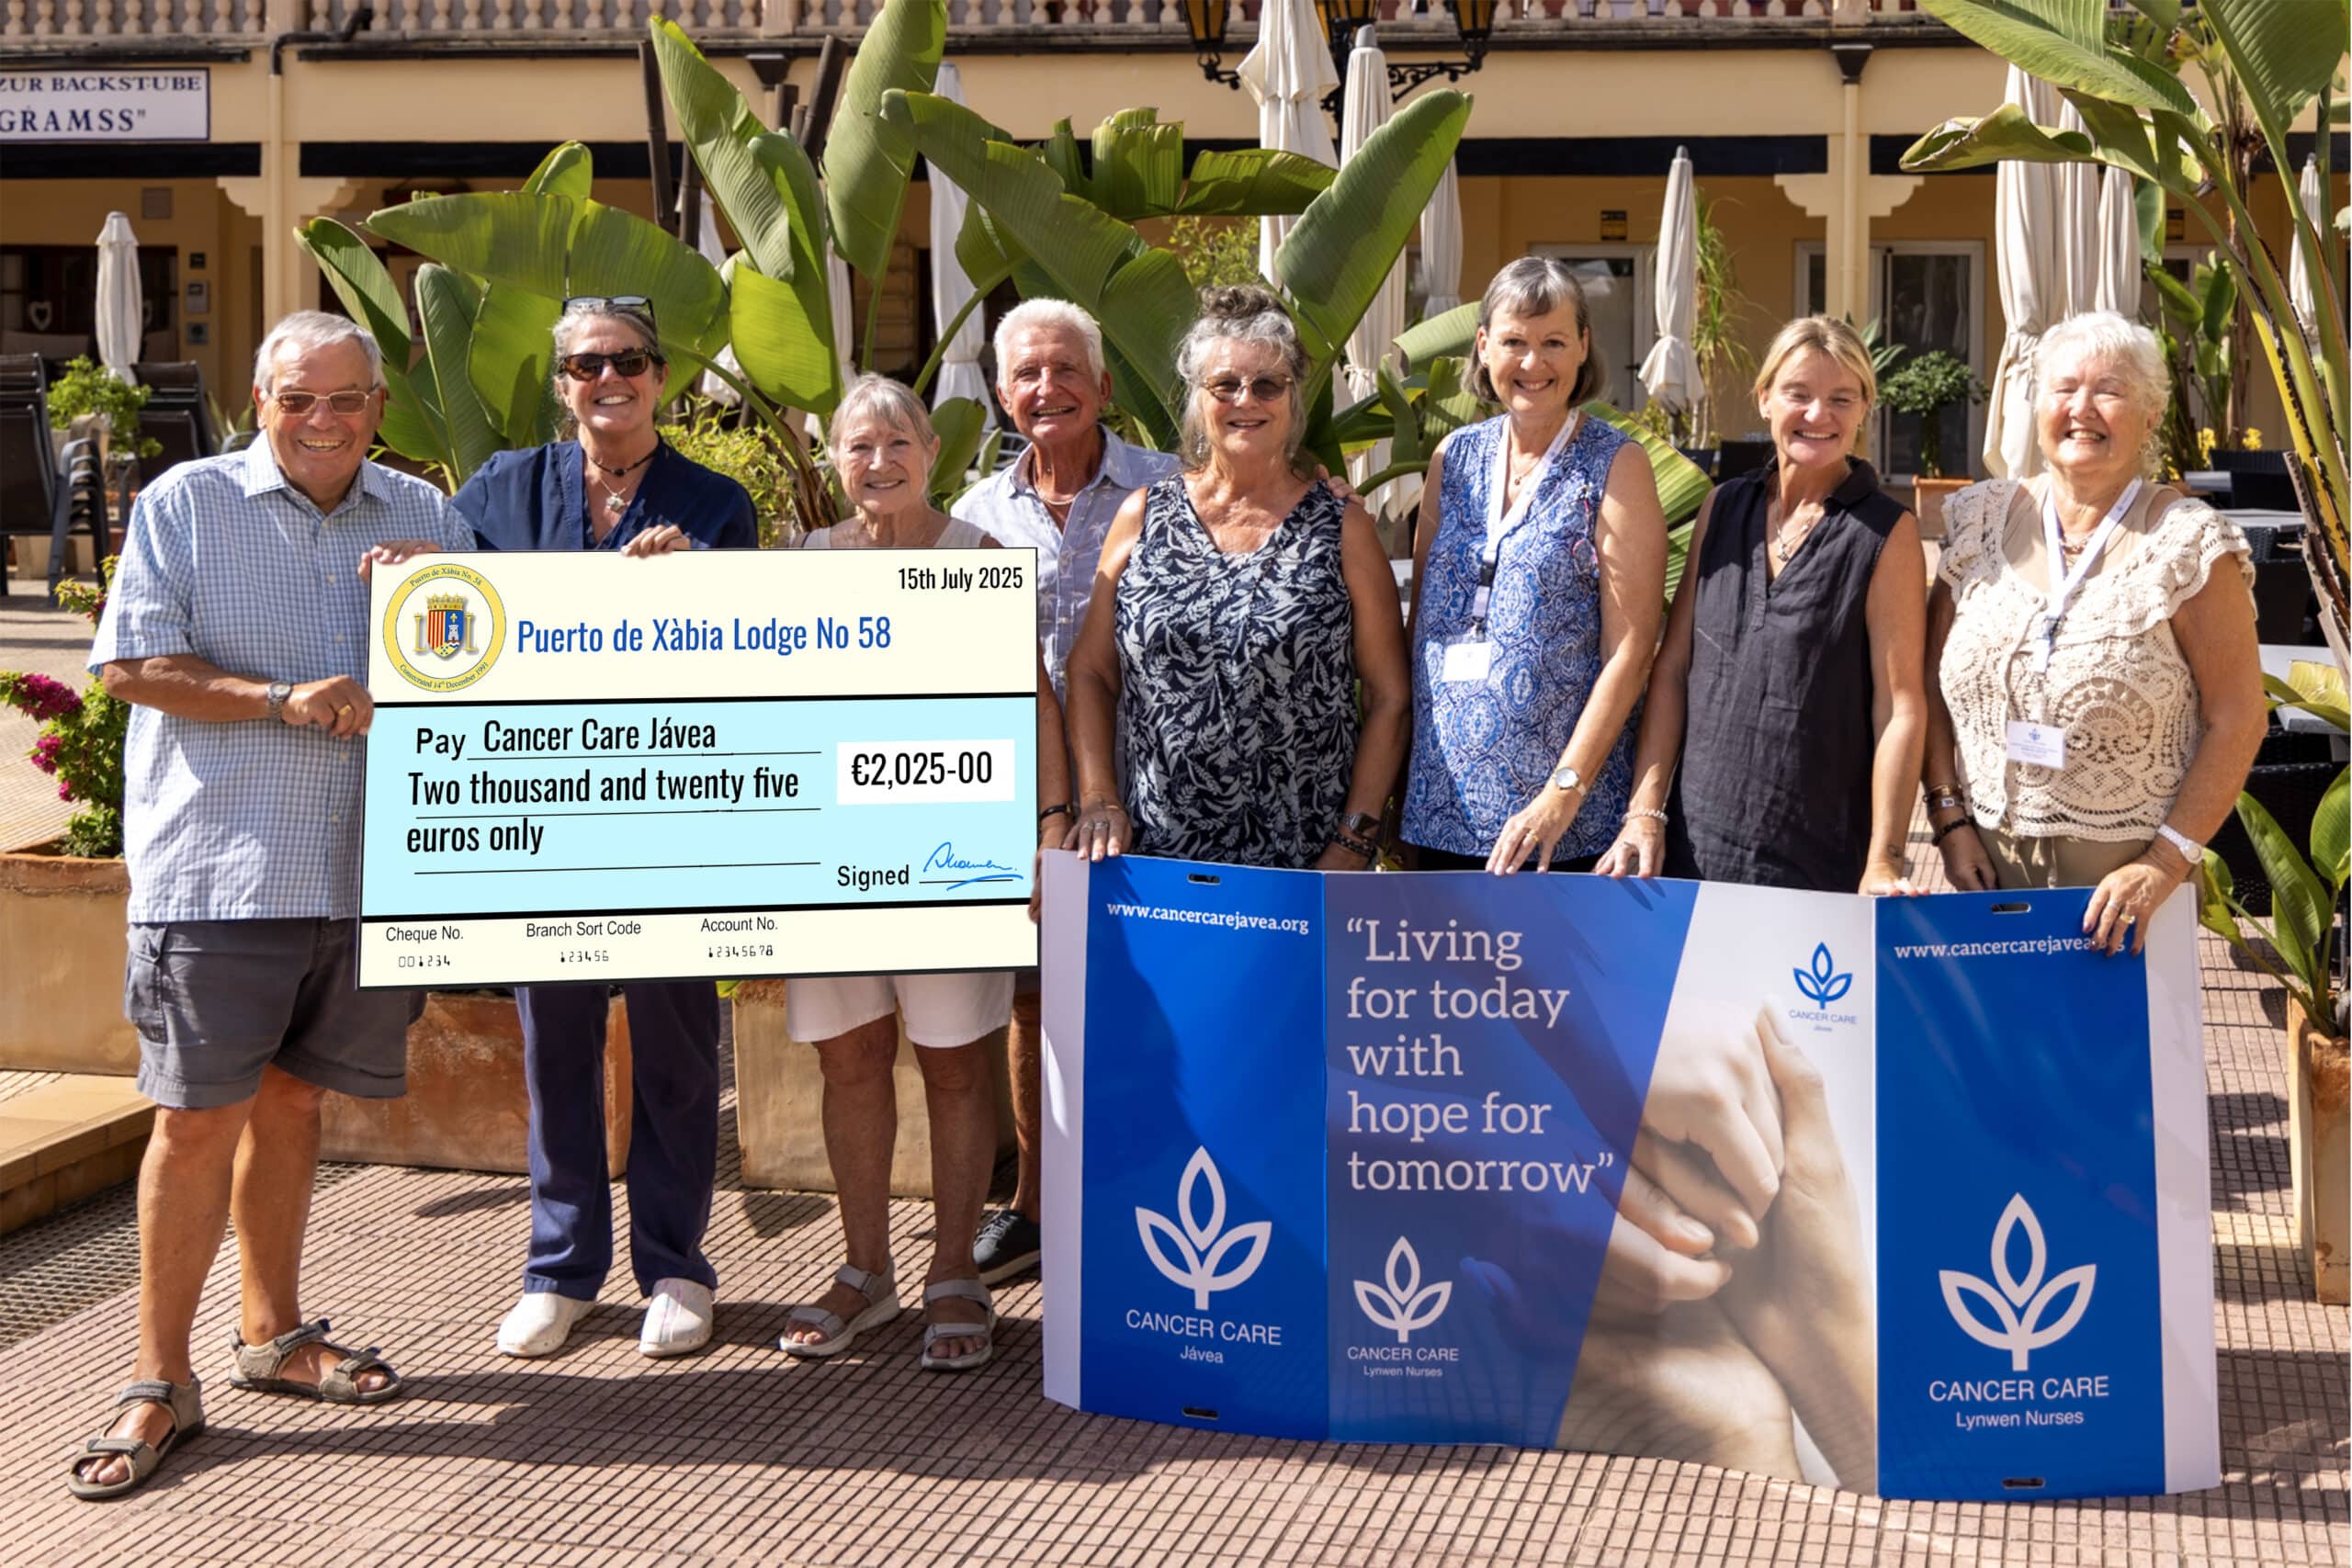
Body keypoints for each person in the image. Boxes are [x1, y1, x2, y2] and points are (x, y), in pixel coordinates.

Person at [69, 310, 472, 1499]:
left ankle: (273, 1332)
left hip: (361, 875)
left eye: (346, 398)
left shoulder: (425, 515)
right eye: (299, 397)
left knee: (296, 1104)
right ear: (261, 400)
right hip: (220, 872)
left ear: (380, 408)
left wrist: (447, 603)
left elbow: (480, 673)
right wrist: (281, 696)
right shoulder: (186, 504)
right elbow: (129, 668)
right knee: (195, 1119)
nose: (323, 420)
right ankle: (158, 1377)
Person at [451, 296, 757, 1361]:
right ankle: (559, 1269)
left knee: (678, 1049)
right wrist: (408, 575)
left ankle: (675, 1266)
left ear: (661, 376)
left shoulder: (715, 504)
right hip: (545, 814)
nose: (608, 379)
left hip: (672, 812)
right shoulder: (499, 491)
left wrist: (695, 592)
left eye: (628, 359)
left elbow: (754, 656)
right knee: (556, 1048)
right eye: (586, 364)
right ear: (562, 384)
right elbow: (453, 615)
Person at [781, 375, 1022, 1372]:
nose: (878, 462)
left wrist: (1047, 823)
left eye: (896, 443)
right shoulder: (802, 562)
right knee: (848, 1060)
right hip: (829, 859)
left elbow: (1025, 699)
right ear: (835, 460)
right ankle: (864, 1269)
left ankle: (955, 1270)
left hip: (950, 855)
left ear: (931, 452)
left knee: (956, 1062)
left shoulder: (978, 556)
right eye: (857, 446)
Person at [953, 299, 1180, 1287]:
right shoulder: (971, 517)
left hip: (1156, 777)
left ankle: (1147, 1199)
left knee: (1155, 993)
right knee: (1032, 998)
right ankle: (1037, 1206)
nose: (1047, 388)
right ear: (1003, 395)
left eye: (1065, 369)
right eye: (1027, 374)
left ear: (1104, 384)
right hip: (1023, 791)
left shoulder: (1173, 487)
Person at [1924, 310, 2266, 952]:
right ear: (2039, 406)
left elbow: (2240, 716)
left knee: (2124, 1025)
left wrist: (2165, 863)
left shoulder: (2186, 543)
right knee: (1998, 1021)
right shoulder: (1979, 520)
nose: (2082, 408)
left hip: (2128, 894)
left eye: (2109, 390)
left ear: (2151, 415)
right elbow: (1928, 678)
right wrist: (1947, 818)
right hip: (1985, 870)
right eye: (2064, 388)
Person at [1063, 285, 1410, 872]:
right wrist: (1099, 798)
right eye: (1224, 384)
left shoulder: (1341, 526)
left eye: (1267, 384)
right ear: (1198, 399)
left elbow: (1389, 696)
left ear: (1293, 400)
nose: (1245, 400)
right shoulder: (1142, 515)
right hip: (1159, 864)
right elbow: (1092, 671)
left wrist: (1353, 842)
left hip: (1304, 866)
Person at [1598, 315, 1927, 894]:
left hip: (1818, 862)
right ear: (1765, 399)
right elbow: (1673, 669)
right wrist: (1645, 811)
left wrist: (1885, 860)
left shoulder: (1887, 532)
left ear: (1863, 410)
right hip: (1692, 850)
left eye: (1841, 399)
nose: (1818, 415)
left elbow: (1900, 709)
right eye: (1798, 394)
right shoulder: (1723, 506)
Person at [1399, 256, 1668, 874]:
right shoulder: (1453, 458)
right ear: (1483, 346)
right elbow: (1422, 630)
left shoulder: (1616, 464)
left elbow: (1631, 654)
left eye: (1553, 343)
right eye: (1514, 342)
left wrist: (1561, 794)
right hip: (1438, 811)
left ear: (1583, 347)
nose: (1532, 362)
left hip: (1559, 831)